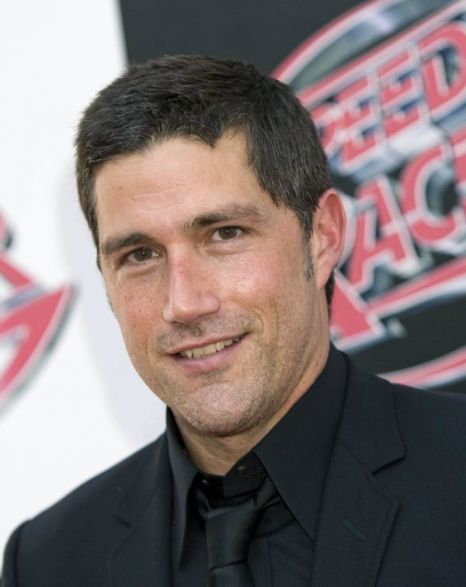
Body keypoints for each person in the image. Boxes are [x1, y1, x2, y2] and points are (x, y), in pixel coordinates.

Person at [2, 55, 466, 587]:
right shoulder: (47, 563)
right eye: (140, 255)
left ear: (322, 238)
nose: (184, 303)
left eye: (225, 234)